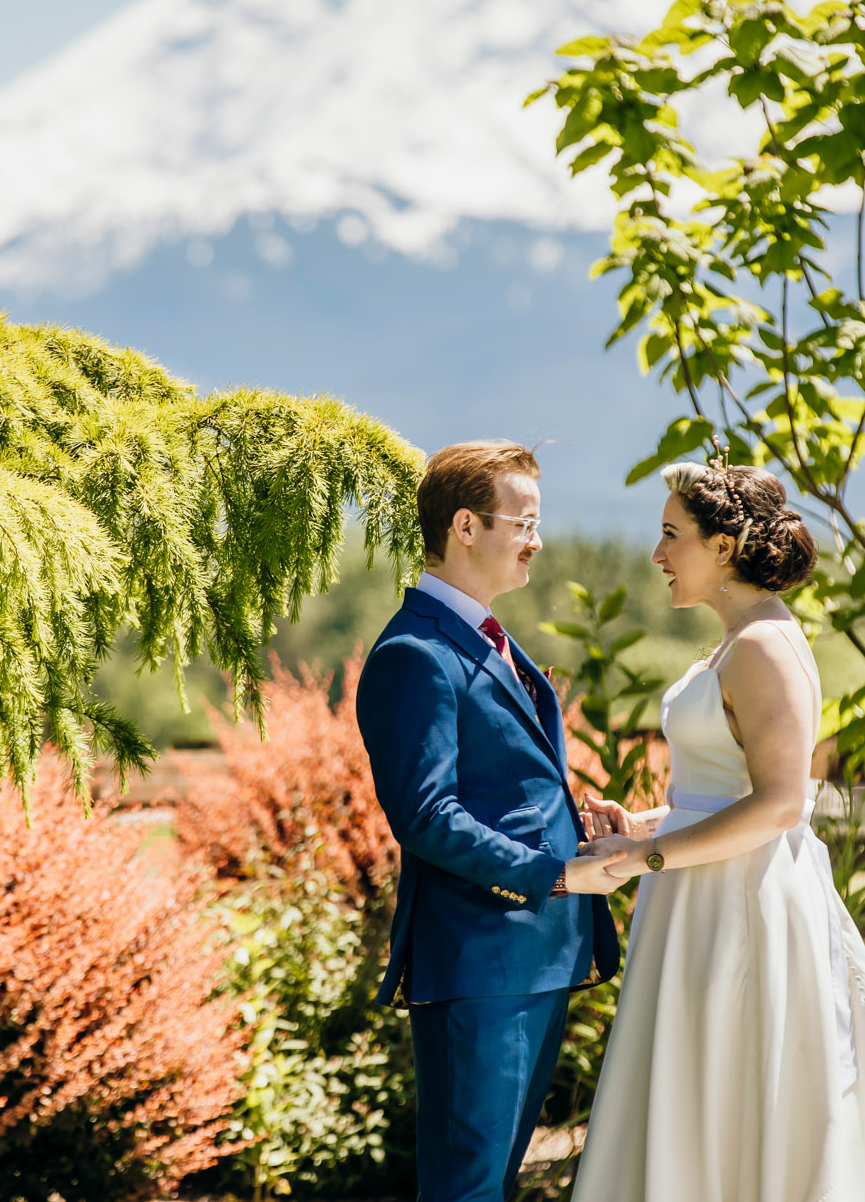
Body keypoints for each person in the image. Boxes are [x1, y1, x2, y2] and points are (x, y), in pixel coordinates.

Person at [571, 459, 865, 1202]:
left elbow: (780, 804)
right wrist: (640, 825)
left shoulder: (764, 646)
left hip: (743, 909)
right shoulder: (737, 643)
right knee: (698, 1097)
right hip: (699, 898)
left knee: (744, 1098)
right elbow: (719, 796)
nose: (658, 555)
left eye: (672, 535)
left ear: (723, 547)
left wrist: (646, 856)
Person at [356, 439, 629, 1202]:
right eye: (525, 520)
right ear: (467, 526)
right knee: (467, 1190)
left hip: (534, 956)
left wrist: (578, 823)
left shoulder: (490, 641)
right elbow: (428, 815)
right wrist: (557, 871)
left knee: (490, 1184)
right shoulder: (414, 654)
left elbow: (500, 786)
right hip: (482, 963)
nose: (538, 540)